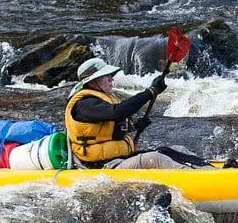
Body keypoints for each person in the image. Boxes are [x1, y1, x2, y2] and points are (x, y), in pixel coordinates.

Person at [65, 57, 202, 170]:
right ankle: (198, 180)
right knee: (155, 159)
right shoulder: (84, 104)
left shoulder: (99, 101)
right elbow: (118, 112)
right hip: (102, 168)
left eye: (110, 75)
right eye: (106, 76)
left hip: (120, 159)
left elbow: (108, 131)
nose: (111, 79)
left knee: (174, 150)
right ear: (93, 80)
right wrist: (150, 92)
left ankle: (207, 169)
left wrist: (134, 127)